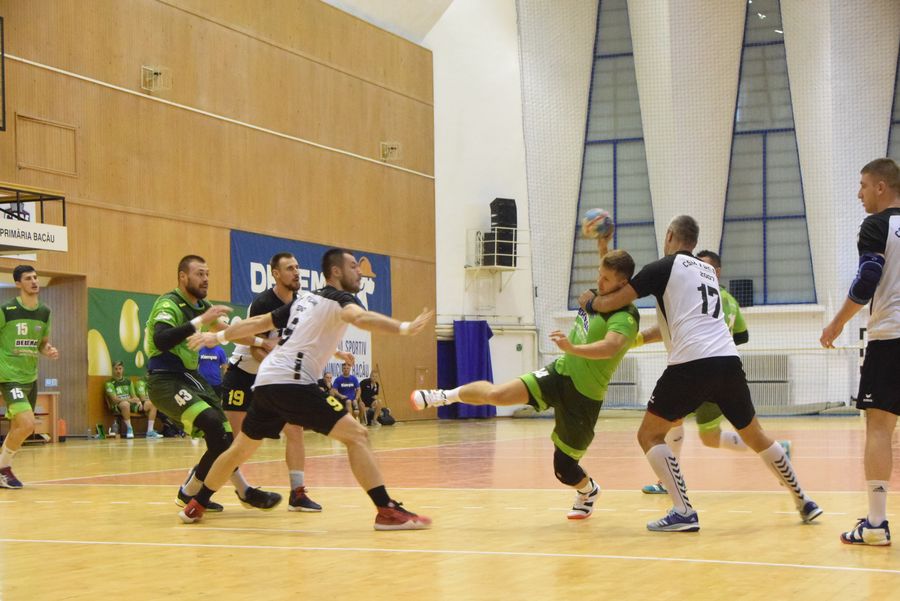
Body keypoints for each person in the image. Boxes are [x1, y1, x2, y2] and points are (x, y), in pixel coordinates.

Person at [583, 215, 822, 532]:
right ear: (694, 242)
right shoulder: (706, 272)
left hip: (691, 364)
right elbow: (672, 323)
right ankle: (804, 499)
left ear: (670, 235)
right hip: (728, 361)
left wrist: (591, 302)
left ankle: (683, 511)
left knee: (649, 435)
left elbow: (614, 300)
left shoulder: (664, 267)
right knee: (756, 435)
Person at [179, 248, 434, 530]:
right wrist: (404, 327)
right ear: (336, 271)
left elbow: (260, 323)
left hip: (267, 381)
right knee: (358, 435)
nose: (359, 271)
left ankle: (196, 504)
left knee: (239, 449)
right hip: (293, 382)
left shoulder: (304, 300)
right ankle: (386, 510)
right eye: (353, 266)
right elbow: (360, 319)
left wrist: (218, 336)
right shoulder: (341, 299)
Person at [412, 233, 640, 520]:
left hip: (584, 396)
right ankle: (443, 396)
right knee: (498, 394)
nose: (599, 282)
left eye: (606, 279)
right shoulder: (597, 298)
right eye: (599, 275)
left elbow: (610, 347)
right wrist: (602, 245)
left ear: (623, 284)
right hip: (560, 373)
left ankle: (588, 490)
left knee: (564, 469)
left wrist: (573, 347)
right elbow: (607, 270)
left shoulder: (625, 317)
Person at [640, 250, 789, 494]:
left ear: (715, 272)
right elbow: (743, 335)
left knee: (684, 426)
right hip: (717, 366)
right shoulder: (728, 299)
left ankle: (668, 483)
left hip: (699, 366)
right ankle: (776, 449)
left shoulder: (699, 297)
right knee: (700, 433)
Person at [145, 254, 281, 512]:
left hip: (190, 378)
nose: (205, 279)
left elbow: (230, 332)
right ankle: (236, 492)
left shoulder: (202, 306)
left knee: (225, 438)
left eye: (207, 274)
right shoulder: (169, 303)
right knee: (213, 425)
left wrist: (263, 342)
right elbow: (162, 340)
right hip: (165, 379)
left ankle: (198, 492)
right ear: (183, 276)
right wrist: (200, 320)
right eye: (199, 274)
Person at [221, 252, 345, 512]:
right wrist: (277, 365)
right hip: (244, 374)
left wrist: (336, 352)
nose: (296, 272)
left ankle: (297, 494)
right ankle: (200, 488)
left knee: (295, 429)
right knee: (236, 444)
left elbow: (303, 339)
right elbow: (256, 349)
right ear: (276, 274)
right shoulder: (263, 303)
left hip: (274, 379)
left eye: (297, 267)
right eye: (290, 268)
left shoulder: (301, 303)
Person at [821, 158, 900, 546]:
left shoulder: (877, 225)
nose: (859, 194)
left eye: (864, 186)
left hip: (891, 337)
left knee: (879, 427)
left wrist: (837, 323)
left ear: (881, 187)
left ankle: (875, 525)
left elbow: (868, 278)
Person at [0, 265, 59, 488]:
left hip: (30, 377)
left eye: (35, 277)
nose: (34, 281)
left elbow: (42, 344)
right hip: (9, 376)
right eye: (28, 278)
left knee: (21, 427)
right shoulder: (6, 310)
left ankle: (3, 468)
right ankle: (3, 469)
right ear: (18, 283)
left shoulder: (44, 312)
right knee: (27, 424)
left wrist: (48, 350)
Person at [104, 360, 161, 438]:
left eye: (120, 368)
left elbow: (134, 396)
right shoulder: (109, 383)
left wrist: (138, 401)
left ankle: (150, 431)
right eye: (116, 369)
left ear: (123, 369)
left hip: (131, 404)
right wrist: (129, 400)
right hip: (118, 406)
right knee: (125, 404)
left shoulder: (128, 381)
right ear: (112, 370)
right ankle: (129, 429)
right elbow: (114, 400)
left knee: (152, 404)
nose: (118, 371)